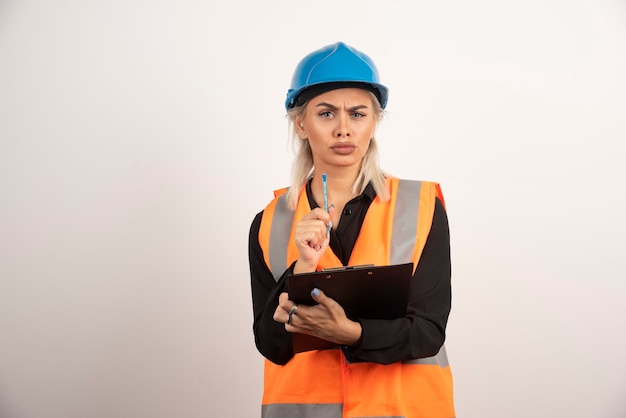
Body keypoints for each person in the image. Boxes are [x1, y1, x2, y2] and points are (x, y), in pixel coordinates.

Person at [248, 41, 455, 418]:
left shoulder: (423, 207)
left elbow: (427, 331)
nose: (344, 129)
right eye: (326, 113)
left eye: (357, 114)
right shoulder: (269, 223)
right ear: (301, 123)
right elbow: (270, 343)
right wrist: (302, 268)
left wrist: (353, 334)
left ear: (374, 122)